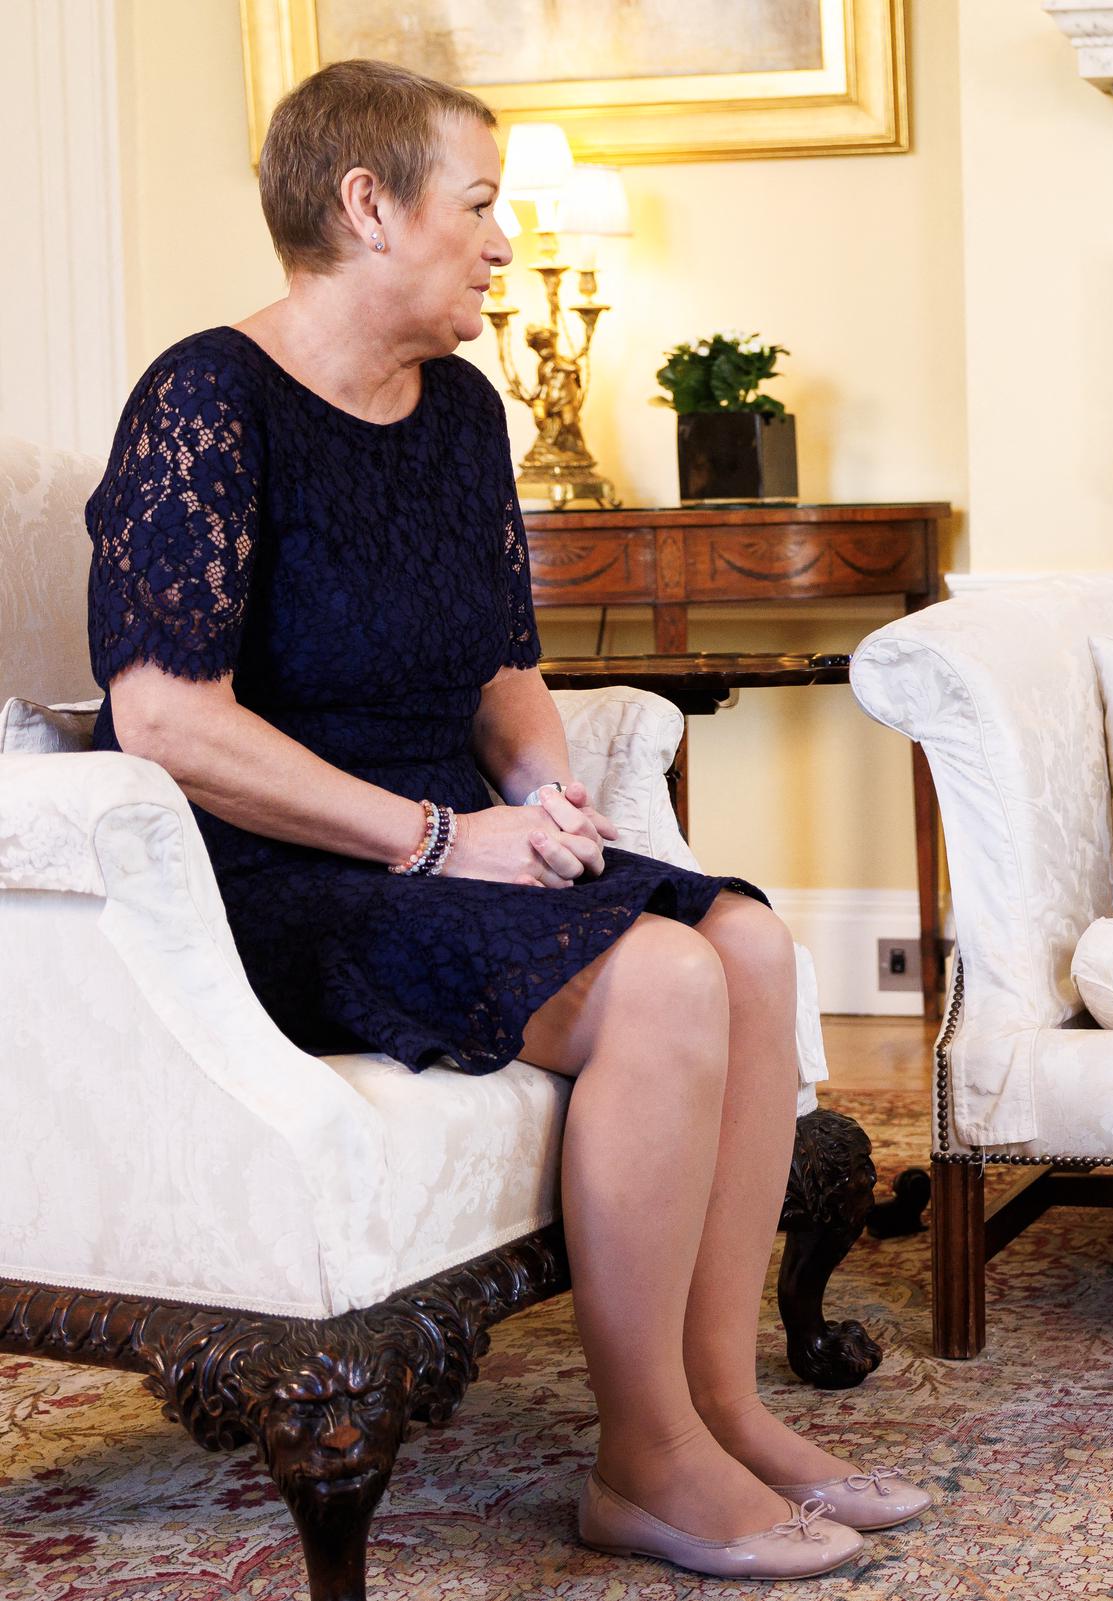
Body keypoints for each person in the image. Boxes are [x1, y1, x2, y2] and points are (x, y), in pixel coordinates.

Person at [83, 59, 928, 1580]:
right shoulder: (205, 400)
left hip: (435, 846)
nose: (501, 241)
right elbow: (165, 721)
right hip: (267, 877)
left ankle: (720, 1404)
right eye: (478, 205)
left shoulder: (462, 409)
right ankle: (645, 1461)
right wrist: (434, 837)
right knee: (663, 982)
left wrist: (543, 792)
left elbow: (500, 666)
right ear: (368, 206)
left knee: (746, 941)